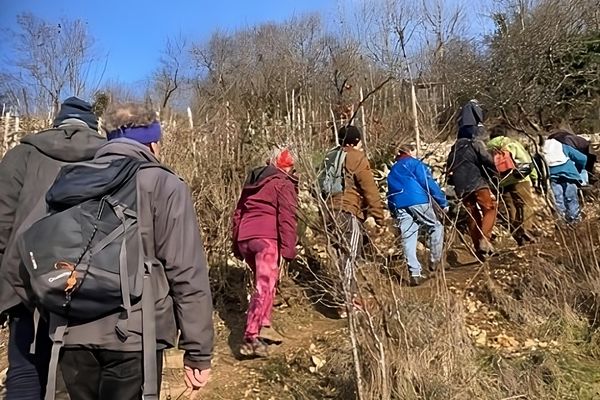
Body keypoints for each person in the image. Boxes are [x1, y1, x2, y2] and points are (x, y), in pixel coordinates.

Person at [54, 102, 214, 399]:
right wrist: (198, 350)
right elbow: (186, 271)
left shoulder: (73, 178)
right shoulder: (163, 183)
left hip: (70, 331)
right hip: (135, 334)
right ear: (152, 142)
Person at [0, 97, 105, 400]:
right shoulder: (108, 157)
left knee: (25, 368)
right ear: (93, 125)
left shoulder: (22, 155)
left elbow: (2, 223)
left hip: (25, 282)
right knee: (76, 378)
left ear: (58, 122)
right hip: (87, 285)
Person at [232, 147, 298, 357]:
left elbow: (238, 213)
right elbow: (287, 218)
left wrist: (236, 244)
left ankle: (265, 325)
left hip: (246, 238)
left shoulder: (252, 184)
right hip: (266, 240)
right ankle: (251, 336)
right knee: (264, 286)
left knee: (266, 284)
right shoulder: (282, 184)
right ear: (287, 168)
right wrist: (288, 249)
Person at [326, 125, 385, 315]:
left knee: (339, 257)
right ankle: (346, 303)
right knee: (350, 255)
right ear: (355, 141)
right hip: (347, 210)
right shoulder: (356, 157)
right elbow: (369, 188)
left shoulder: (329, 157)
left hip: (328, 212)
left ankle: (342, 297)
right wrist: (379, 215)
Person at [387, 144, 448, 286]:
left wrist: (392, 210)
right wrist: (442, 202)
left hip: (399, 204)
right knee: (436, 226)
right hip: (418, 200)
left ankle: (414, 273)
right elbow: (428, 183)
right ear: (410, 152)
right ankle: (434, 261)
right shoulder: (415, 164)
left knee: (408, 237)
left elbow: (389, 192)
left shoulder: (393, 169)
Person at [446, 102, 498, 259]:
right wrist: (496, 172)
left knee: (472, 213)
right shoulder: (475, 143)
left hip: (461, 187)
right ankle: (485, 239)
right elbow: (487, 160)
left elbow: (449, 168)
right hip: (477, 182)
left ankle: (479, 250)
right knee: (490, 208)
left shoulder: (454, 149)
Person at [487, 126, 538, 245]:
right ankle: (526, 230)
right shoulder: (512, 143)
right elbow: (526, 161)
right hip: (519, 178)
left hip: (501, 181)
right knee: (526, 204)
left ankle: (516, 233)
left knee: (511, 207)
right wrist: (534, 177)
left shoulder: (488, 148)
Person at [542, 137, 587, 223]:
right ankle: (575, 221)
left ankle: (561, 223)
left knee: (558, 200)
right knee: (571, 198)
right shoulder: (563, 147)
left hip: (552, 176)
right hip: (570, 174)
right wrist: (579, 169)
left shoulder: (541, 151)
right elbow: (582, 158)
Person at [548, 121, 596, 186]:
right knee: (582, 166)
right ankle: (583, 183)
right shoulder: (573, 141)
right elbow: (583, 159)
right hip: (571, 145)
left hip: (570, 147)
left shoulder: (555, 139)